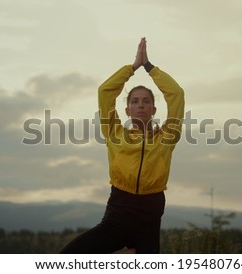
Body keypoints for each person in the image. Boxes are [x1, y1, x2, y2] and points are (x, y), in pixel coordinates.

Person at [59, 37, 185, 254]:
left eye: (146, 101)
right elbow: (105, 91)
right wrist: (133, 67)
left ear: (154, 110)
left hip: (149, 218)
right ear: (127, 110)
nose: (141, 106)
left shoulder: (167, 136)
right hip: (119, 214)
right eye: (134, 101)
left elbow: (177, 94)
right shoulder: (115, 133)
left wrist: (150, 68)